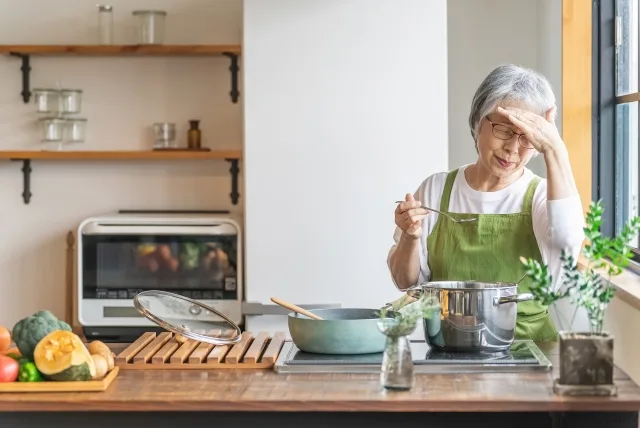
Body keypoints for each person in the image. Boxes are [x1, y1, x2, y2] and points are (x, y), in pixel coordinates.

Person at [387, 64, 585, 342]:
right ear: (477, 122)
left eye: (527, 137)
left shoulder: (541, 196)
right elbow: (404, 281)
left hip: (528, 354)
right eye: (504, 130)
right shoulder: (436, 189)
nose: (513, 148)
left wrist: (556, 149)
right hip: (451, 348)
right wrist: (410, 236)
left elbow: (569, 243)